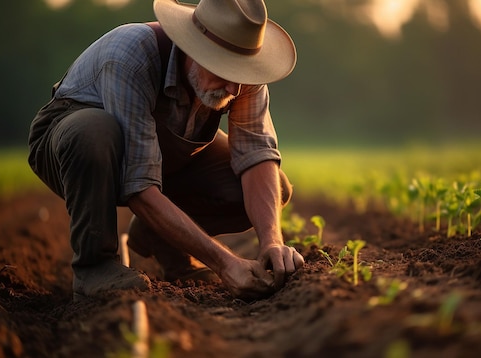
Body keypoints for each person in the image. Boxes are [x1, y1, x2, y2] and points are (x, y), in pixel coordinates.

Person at [28, 0, 304, 302]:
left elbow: (257, 155)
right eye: (225, 69)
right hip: (74, 146)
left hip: (164, 151)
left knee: (274, 186)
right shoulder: (130, 56)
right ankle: (95, 267)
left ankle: (161, 239)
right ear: (192, 48)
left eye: (241, 73)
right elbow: (140, 189)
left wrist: (271, 243)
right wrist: (226, 264)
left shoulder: (242, 77)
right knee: (94, 130)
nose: (234, 89)